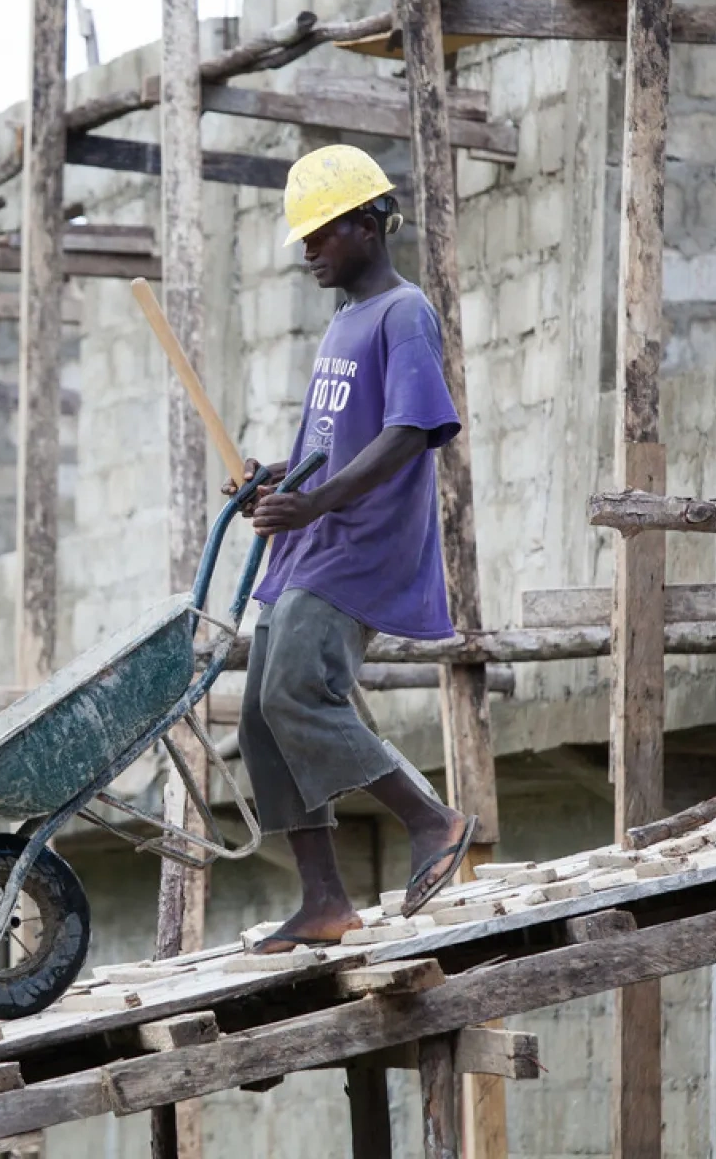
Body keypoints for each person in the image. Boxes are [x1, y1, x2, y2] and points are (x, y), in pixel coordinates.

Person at [230, 143, 475, 953]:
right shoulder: (344, 322)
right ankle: (324, 901)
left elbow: (412, 429)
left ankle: (432, 820)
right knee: (264, 715)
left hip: (357, 545)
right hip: (312, 542)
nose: (307, 253)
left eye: (321, 235)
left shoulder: (405, 313)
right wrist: (277, 477)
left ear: (368, 226)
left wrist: (319, 503)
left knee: (299, 690)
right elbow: (335, 439)